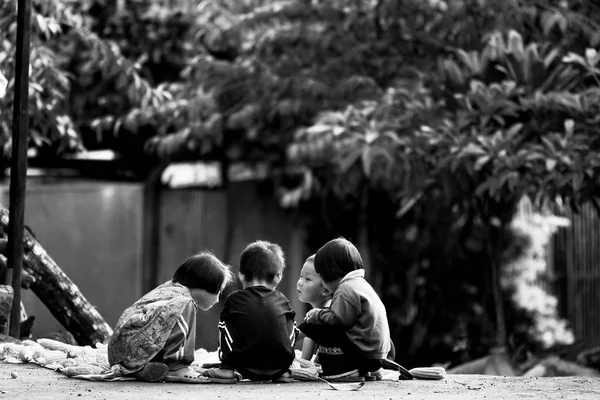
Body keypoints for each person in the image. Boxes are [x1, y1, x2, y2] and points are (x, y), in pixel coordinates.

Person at [108, 251, 233, 383]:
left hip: (123, 353)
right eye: (218, 291)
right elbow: (148, 308)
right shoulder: (183, 299)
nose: (218, 299)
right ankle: (176, 366)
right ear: (205, 284)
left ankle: (142, 369)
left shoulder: (171, 290)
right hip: (130, 344)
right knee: (185, 304)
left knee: (180, 310)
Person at [203, 240, 297, 383]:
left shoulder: (234, 299)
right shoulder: (282, 300)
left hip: (243, 366)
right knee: (290, 323)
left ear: (241, 275)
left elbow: (225, 330)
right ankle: (284, 371)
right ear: (278, 276)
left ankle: (226, 369)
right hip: (279, 367)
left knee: (224, 323)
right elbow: (290, 332)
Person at [298, 238, 391, 382]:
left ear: (330, 272)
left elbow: (339, 321)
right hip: (375, 356)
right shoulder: (360, 284)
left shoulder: (346, 289)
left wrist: (318, 315)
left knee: (318, 325)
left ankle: (344, 371)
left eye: (321, 275)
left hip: (363, 355)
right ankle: (361, 371)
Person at [296, 254, 333, 361]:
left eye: (307, 279)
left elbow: (293, 337)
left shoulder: (324, 314)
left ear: (326, 290)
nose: (300, 282)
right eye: (301, 276)